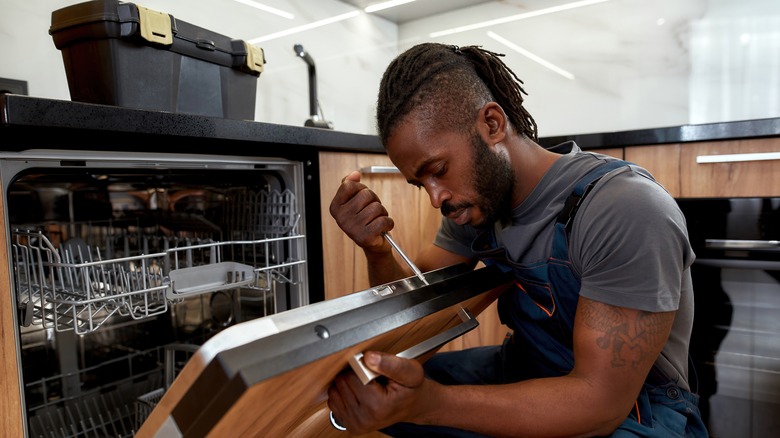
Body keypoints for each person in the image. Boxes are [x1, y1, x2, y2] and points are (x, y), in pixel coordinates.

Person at [327, 42, 708, 437]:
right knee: (372, 395)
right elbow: (416, 317)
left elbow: (599, 404)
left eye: (438, 169)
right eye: (419, 182)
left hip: (635, 410)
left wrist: (431, 405)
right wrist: (376, 250)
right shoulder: (475, 204)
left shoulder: (622, 208)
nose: (435, 196)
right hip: (530, 368)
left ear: (491, 124)